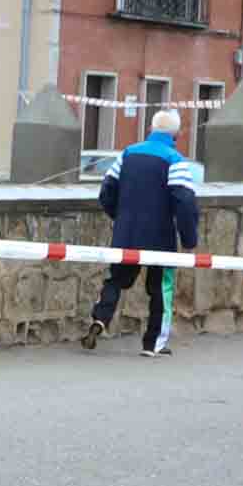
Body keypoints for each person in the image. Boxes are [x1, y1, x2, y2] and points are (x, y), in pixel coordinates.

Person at [83, 106, 200, 355]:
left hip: (126, 232)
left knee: (116, 280)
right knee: (160, 289)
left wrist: (120, 216)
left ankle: (100, 318)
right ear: (176, 134)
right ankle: (153, 343)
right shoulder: (175, 160)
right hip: (160, 236)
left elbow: (106, 192)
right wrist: (189, 239)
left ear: (151, 129)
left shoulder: (128, 153)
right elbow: (185, 202)